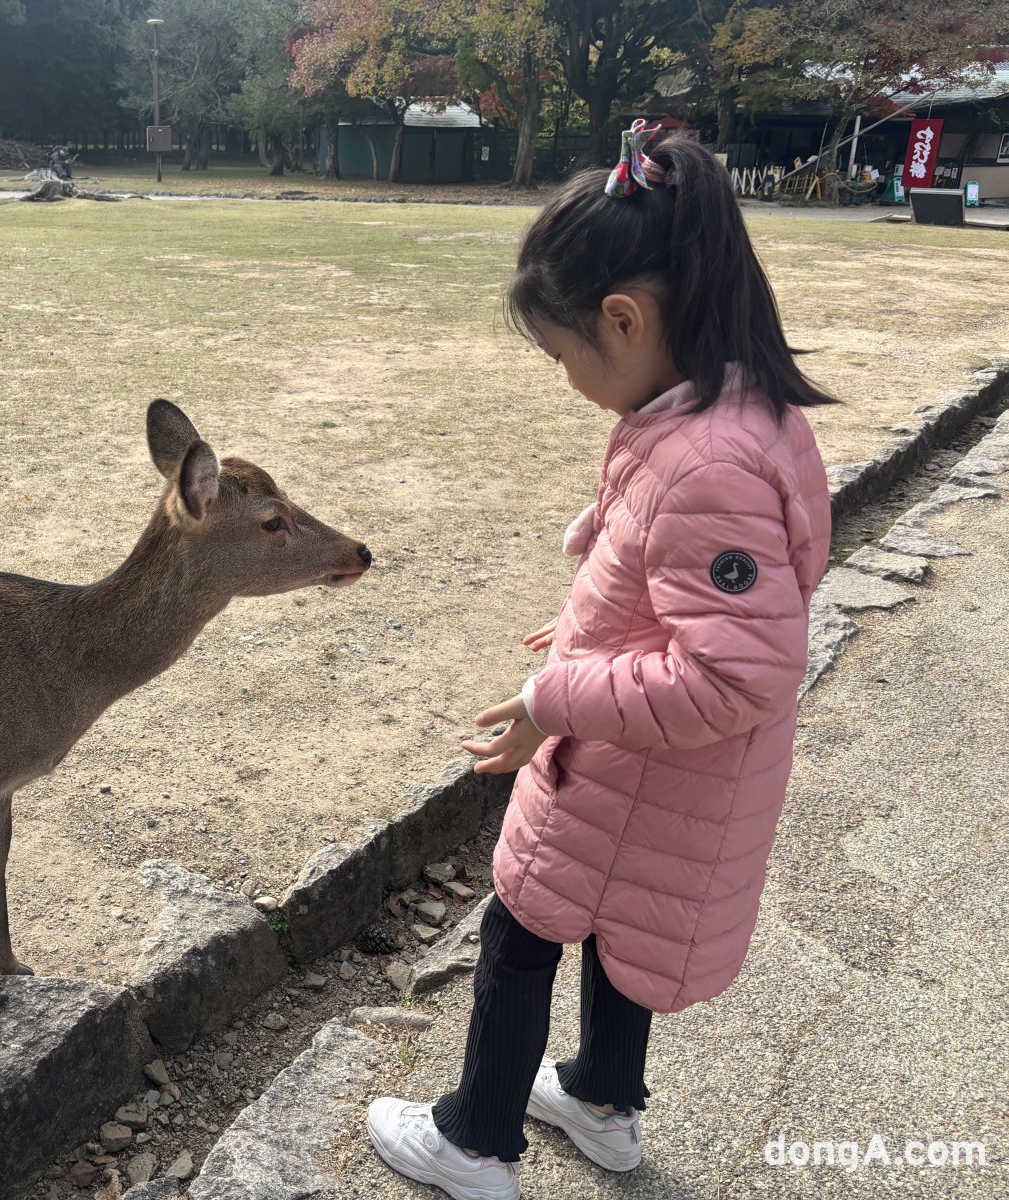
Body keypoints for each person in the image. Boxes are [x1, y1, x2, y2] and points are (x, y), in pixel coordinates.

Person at [366, 124, 836, 1200]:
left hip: (630, 769)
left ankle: (474, 1142)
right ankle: (602, 1101)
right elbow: (675, 561)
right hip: (667, 779)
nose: (565, 375)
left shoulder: (705, 461)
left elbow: (736, 674)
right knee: (623, 926)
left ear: (622, 320)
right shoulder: (731, 403)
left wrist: (556, 695)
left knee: (523, 924)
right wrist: (593, 608)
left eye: (562, 354)